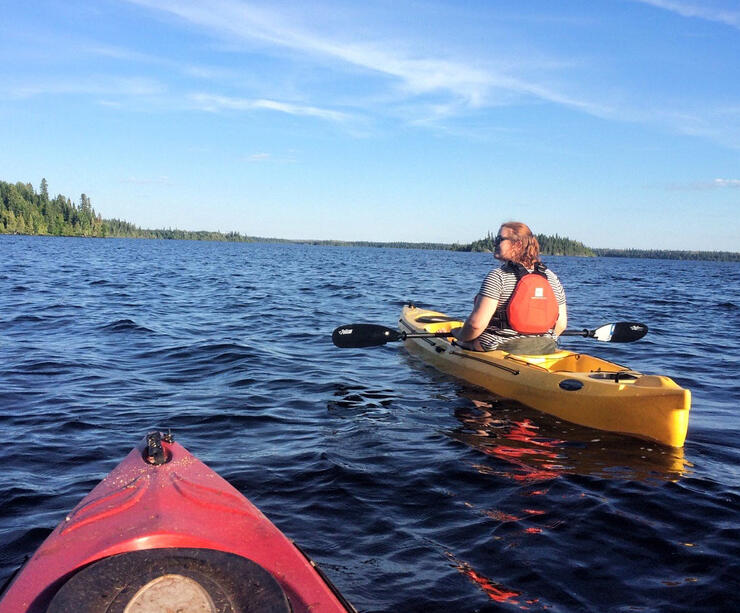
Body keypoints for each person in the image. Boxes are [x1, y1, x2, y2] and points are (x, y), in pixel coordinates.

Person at [451, 221, 567, 352]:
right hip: (545, 347)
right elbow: (561, 325)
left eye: (499, 239)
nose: (494, 243)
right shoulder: (552, 277)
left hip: (501, 348)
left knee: (463, 341)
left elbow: (476, 326)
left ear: (517, 245)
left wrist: (459, 335)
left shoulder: (498, 276)